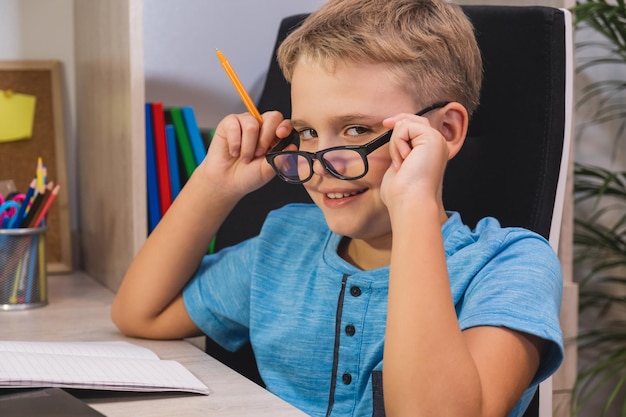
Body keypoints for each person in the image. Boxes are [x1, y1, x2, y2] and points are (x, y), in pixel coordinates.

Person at [111, 0, 564, 416]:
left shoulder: (510, 264)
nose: (319, 168)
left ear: (444, 131)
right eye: (307, 132)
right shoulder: (285, 245)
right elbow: (139, 314)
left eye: (354, 130)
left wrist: (413, 209)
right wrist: (214, 186)